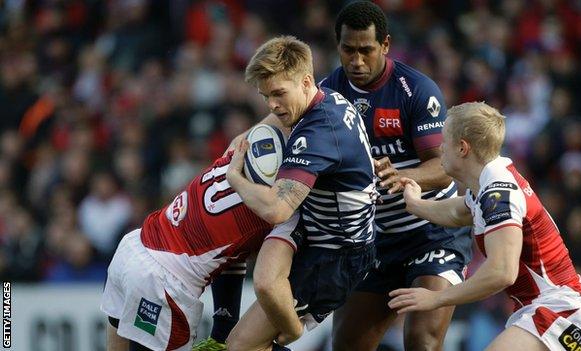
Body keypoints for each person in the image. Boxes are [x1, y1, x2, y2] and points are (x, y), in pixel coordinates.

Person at [388, 102, 581, 351]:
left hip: (561, 311)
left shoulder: (498, 192)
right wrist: (414, 204)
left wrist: (436, 298)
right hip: (545, 311)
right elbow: (458, 212)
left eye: (444, 140)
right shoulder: (488, 184)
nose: (440, 148)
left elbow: (502, 271)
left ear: (462, 147)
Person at [321, 2, 472, 350]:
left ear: (385, 45)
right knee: (345, 345)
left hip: (432, 233)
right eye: (348, 50)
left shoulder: (416, 90)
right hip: (374, 240)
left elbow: (444, 165)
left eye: (366, 50)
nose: (357, 61)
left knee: (421, 340)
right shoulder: (326, 94)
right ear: (337, 45)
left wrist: (404, 176)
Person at [224, 35, 377, 351]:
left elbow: (277, 210)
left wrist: (235, 178)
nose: (272, 105)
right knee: (261, 285)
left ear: (306, 82)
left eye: (279, 94)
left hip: (335, 254)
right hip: (312, 225)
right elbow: (276, 114)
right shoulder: (324, 96)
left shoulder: (319, 133)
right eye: (265, 95)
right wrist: (247, 134)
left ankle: (290, 333)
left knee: (242, 344)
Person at [101, 151, 300, 351]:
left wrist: (222, 331)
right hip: (161, 282)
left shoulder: (236, 153)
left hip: (133, 246)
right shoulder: (274, 216)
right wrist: (292, 329)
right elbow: (267, 280)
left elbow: (230, 254)